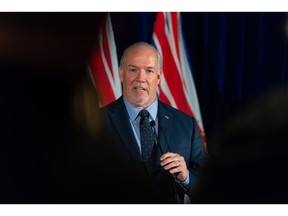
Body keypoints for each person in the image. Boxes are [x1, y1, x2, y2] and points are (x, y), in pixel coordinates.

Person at [98, 42, 208, 204]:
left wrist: (185, 177)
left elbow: (208, 181)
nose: (141, 78)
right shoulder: (97, 123)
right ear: (121, 74)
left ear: (158, 77)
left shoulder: (186, 125)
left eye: (149, 71)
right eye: (133, 70)